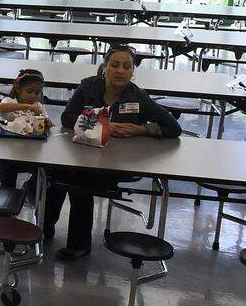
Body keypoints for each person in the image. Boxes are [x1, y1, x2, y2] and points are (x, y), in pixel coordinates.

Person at [46, 45, 183, 260]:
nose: (120, 71)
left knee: (75, 179)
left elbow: (174, 128)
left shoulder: (138, 97)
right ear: (105, 67)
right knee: (55, 172)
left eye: (126, 66)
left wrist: (142, 129)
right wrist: (101, 125)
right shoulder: (88, 87)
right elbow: (67, 117)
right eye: (115, 65)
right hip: (85, 153)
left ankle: (77, 244)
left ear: (133, 71)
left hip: (119, 164)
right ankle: (46, 230)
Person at [0, 69, 54, 195]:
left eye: (37, 93)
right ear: (18, 90)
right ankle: (7, 202)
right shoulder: (10, 101)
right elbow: (0, 108)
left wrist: (46, 121)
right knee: (7, 182)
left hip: (31, 153)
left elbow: (45, 122)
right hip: (9, 153)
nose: (33, 96)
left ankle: (28, 189)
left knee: (47, 169)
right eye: (29, 91)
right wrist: (26, 106)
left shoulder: (38, 106)